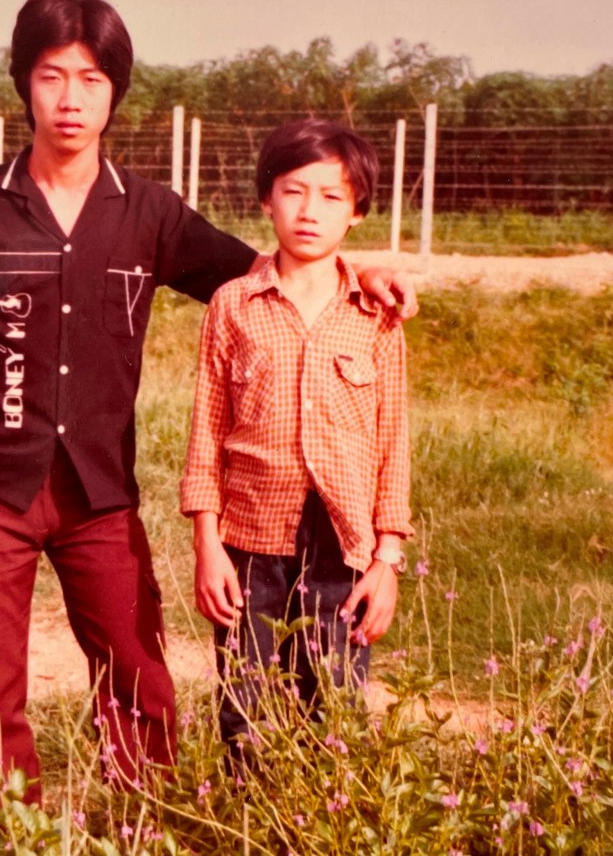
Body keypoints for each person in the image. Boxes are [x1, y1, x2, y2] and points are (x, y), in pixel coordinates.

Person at [0, 0, 416, 807]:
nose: (70, 98)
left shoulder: (148, 212)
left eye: (91, 79)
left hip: (100, 494)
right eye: (52, 76)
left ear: (115, 91)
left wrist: (357, 272)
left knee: (137, 672)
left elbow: (260, 274)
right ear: (24, 83)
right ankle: (6, 830)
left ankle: (144, 820)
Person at [180, 118, 412, 761]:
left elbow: (393, 444)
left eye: (332, 196)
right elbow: (207, 431)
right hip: (251, 541)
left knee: (334, 708)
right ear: (266, 199)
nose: (310, 211)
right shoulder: (232, 304)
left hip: (346, 547)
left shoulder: (377, 315)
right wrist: (208, 546)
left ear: (357, 213)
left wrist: (387, 561)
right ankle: (248, 824)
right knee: (244, 711)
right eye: (293, 191)